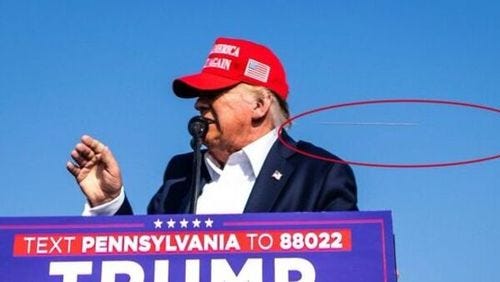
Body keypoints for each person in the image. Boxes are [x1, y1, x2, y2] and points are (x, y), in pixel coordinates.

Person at [67, 37, 358, 215]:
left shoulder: (320, 172)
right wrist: (108, 203)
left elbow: (350, 262)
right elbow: (144, 263)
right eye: (198, 96)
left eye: (214, 93)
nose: (199, 104)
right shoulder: (179, 174)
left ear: (259, 106)